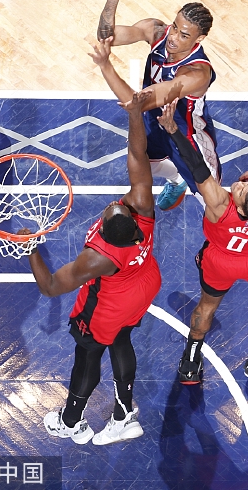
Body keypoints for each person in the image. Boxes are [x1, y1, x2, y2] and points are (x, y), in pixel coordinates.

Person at [25, 87, 160, 445]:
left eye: (112, 211)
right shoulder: (142, 206)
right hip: (144, 282)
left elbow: (50, 287)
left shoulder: (97, 258)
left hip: (111, 302)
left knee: (87, 351)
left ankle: (71, 421)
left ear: (106, 231)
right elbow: (138, 153)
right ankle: (123, 415)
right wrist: (135, 114)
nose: (115, 205)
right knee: (122, 336)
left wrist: (30, 248)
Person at [156, 99, 248, 392]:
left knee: (206, 306)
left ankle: (190, 362)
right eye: (244, 184)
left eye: (242, 189)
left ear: (238, 205)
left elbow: (195, 164)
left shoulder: (219, 203)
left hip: (220, 262)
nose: (239, 184)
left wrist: (173, 130)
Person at [95, 0, 218, 211]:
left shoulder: (195, 73)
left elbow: (137, 103)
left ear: (198, 39)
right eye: (175, 27)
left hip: (186, 134)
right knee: (142, 164)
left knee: (213, 203)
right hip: (153, 121)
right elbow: (106, 37)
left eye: (184, 35)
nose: (173, 38)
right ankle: (177, 180)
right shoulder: (158, 32)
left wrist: (105, 66)